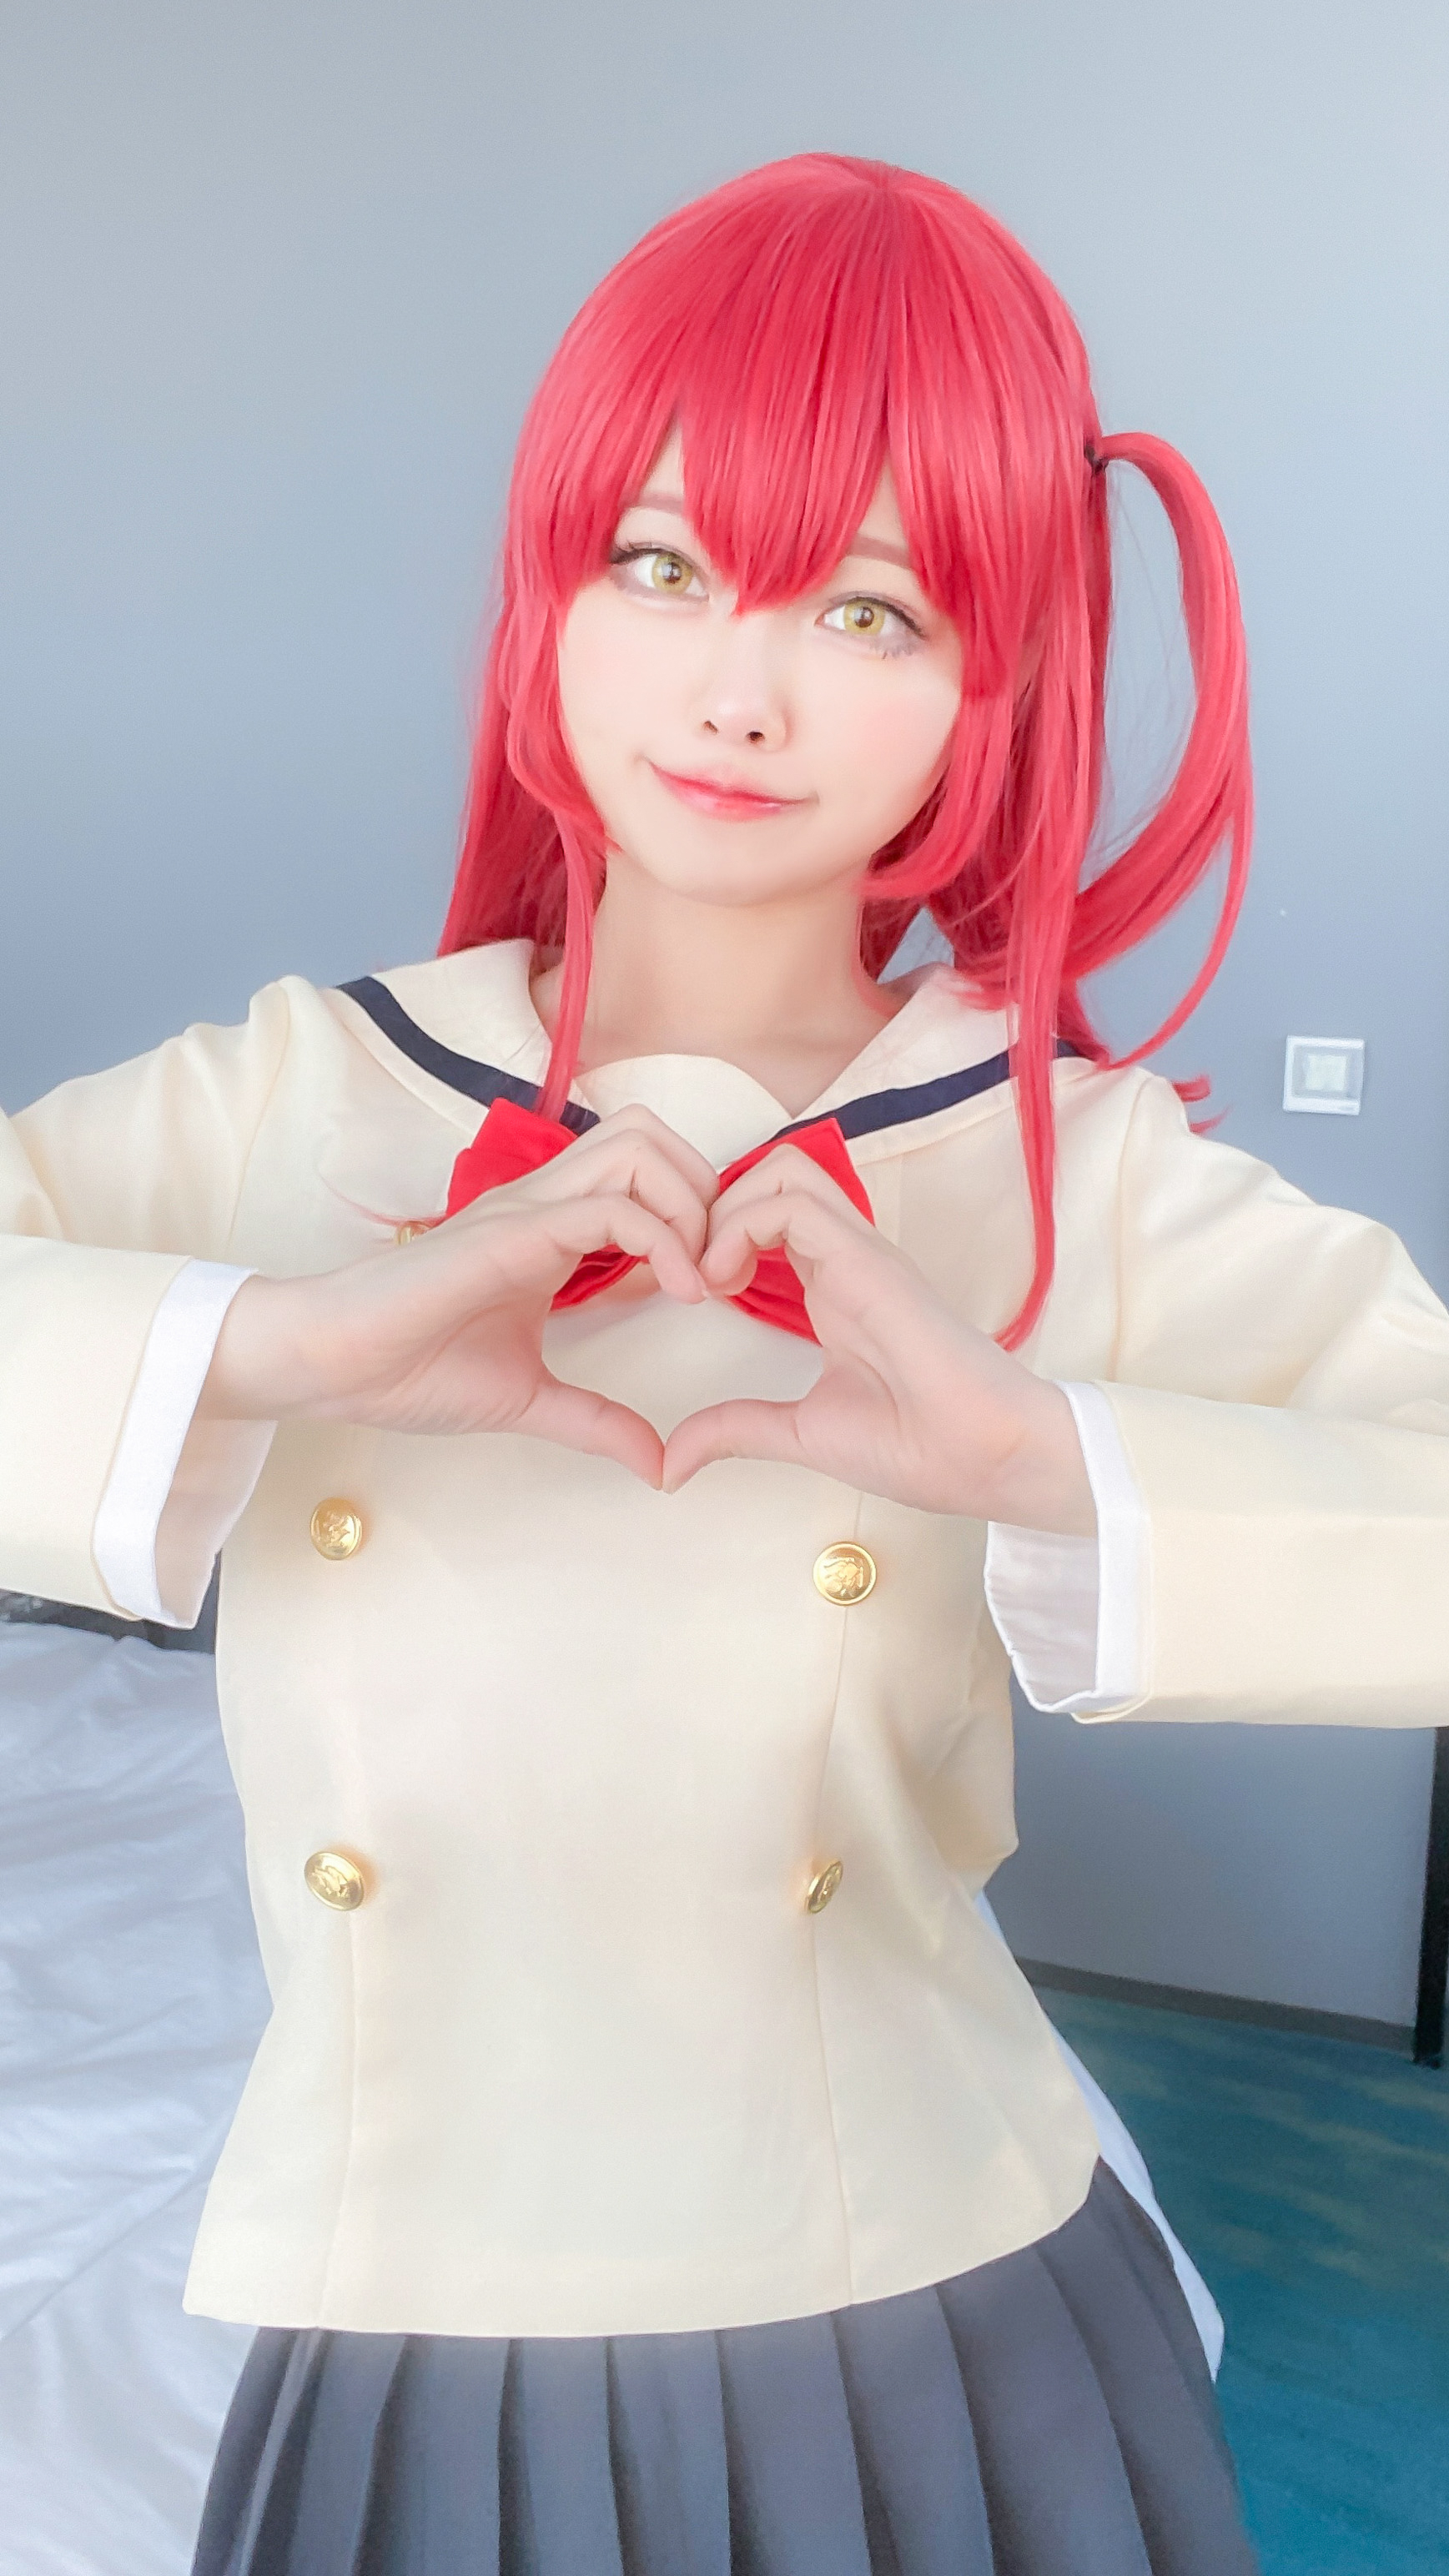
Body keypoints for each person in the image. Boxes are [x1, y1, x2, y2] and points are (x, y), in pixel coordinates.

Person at [4, 152, 1446, 2576]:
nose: (737, 691)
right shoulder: (301, 1093)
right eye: (660, 565)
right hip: (402, 2277)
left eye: (868, 608)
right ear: (547, 598)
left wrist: (1043, 1454)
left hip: (920, 2282)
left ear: (995, 681)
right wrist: (283, 1341)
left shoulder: (1060, 1164)